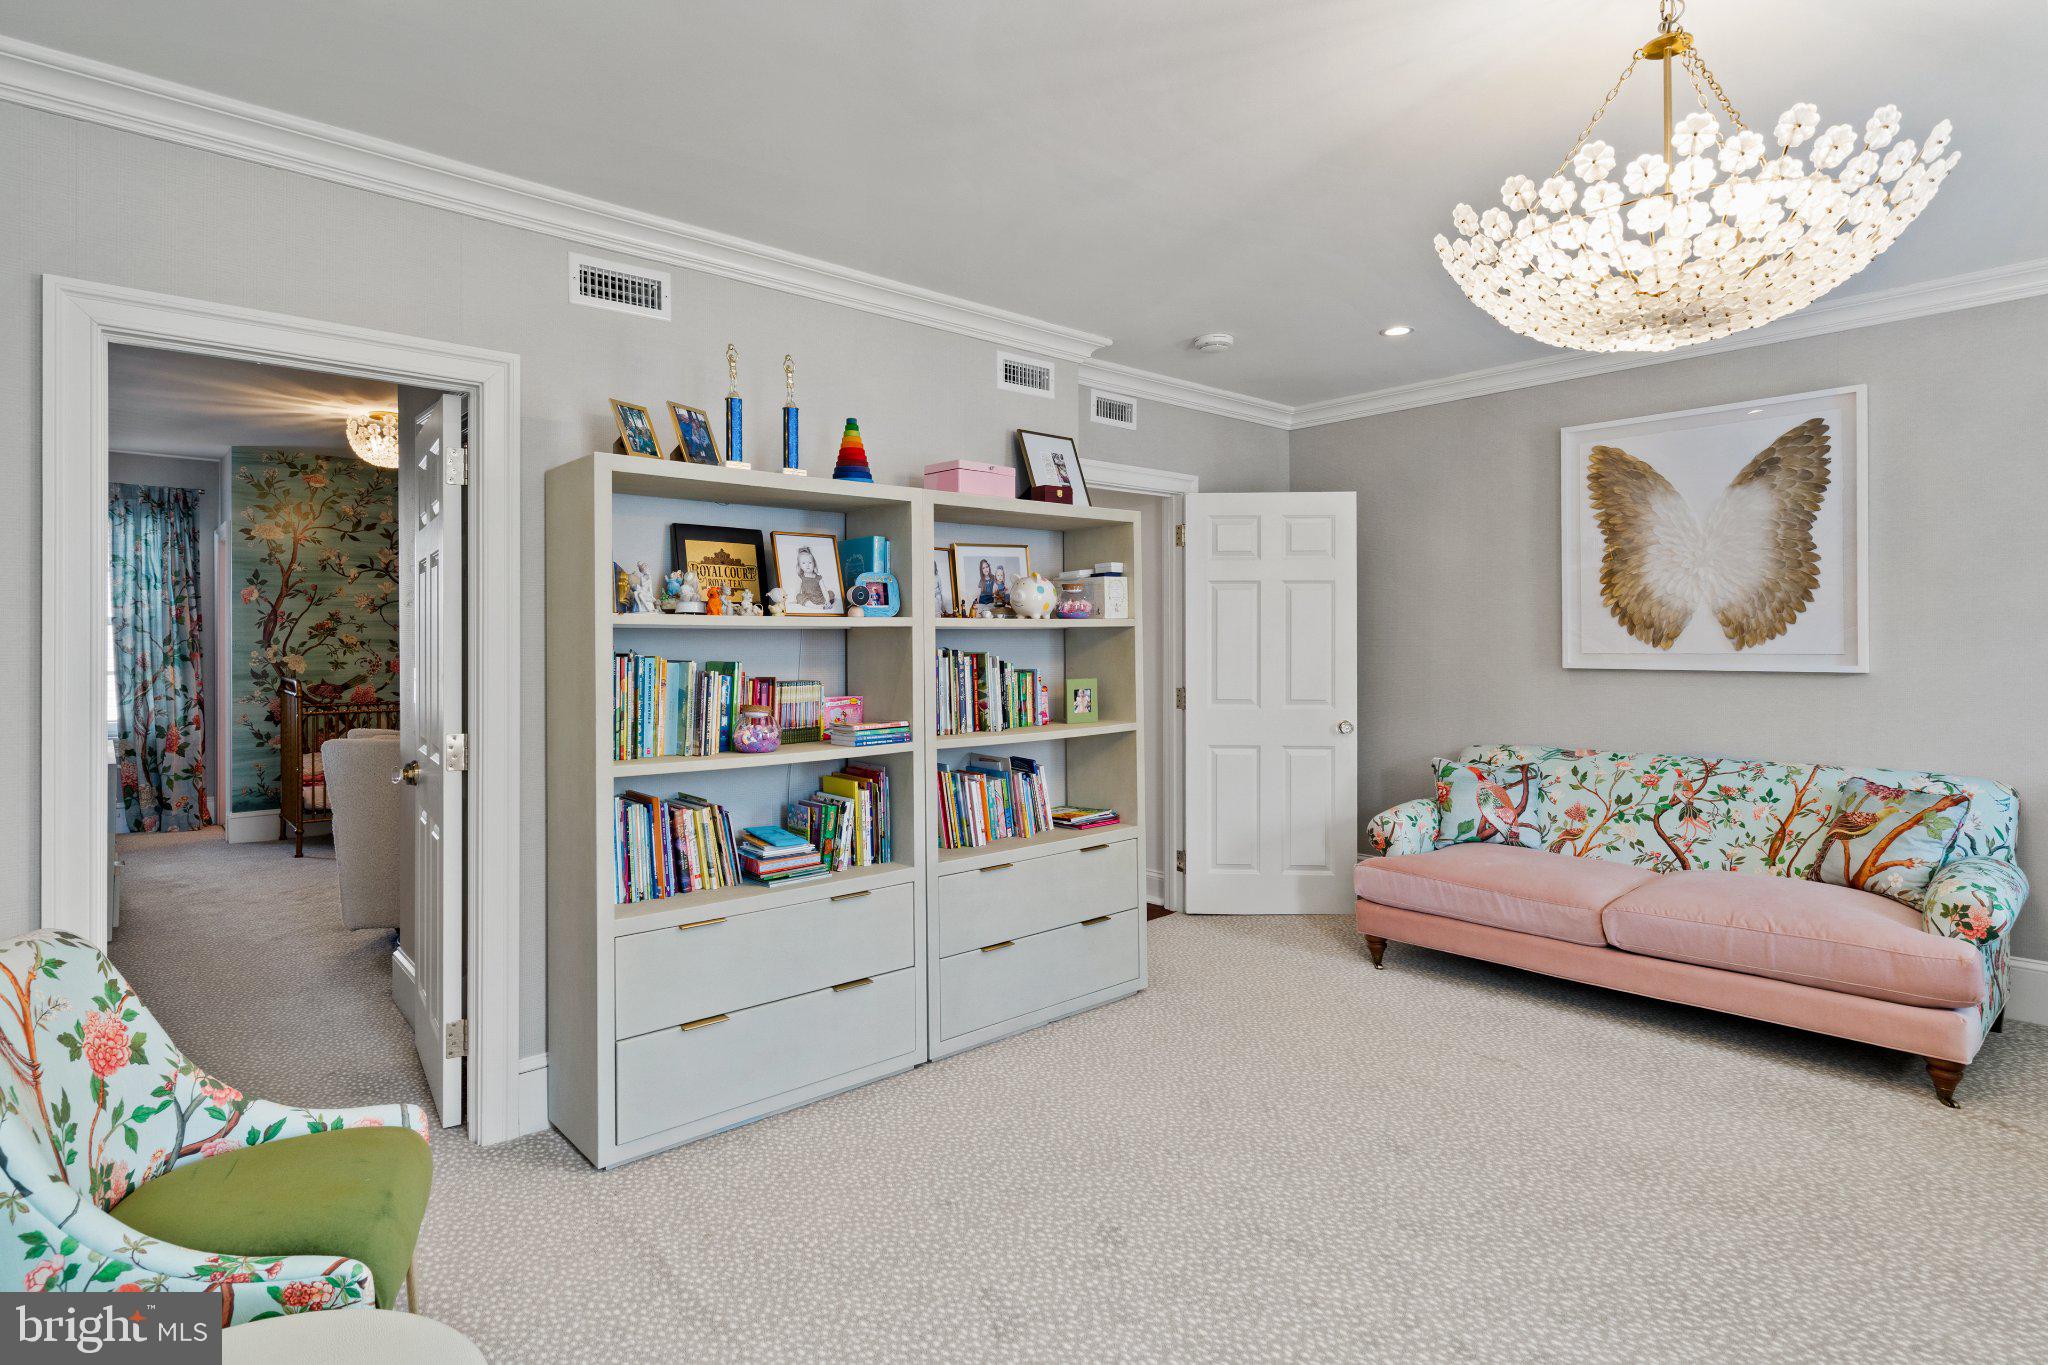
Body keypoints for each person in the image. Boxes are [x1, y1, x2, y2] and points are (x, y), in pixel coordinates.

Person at [792, 545, 836, 609]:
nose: (807, 565)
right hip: (808, 600)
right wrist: (795, 601)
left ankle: (825, 605)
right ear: (800, 566)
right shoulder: (801, 578)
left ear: (814, 564)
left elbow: (824, 591)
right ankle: (814, 606)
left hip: (820, 599)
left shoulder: (818, 578)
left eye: (810, 562)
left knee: (830, 593)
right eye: (803, 563)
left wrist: (827, 601)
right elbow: (797, 591)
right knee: (798, 596)